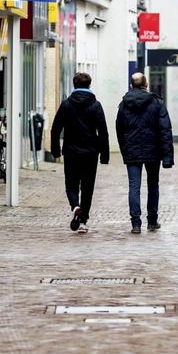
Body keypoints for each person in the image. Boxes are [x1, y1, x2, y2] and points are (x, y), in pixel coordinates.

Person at [50, 72, 110, 234]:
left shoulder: (66, 104)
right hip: (90, 152)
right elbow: (103, 131)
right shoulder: (96, 105)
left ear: (74, 85)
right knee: (88, 186)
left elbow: (56, 129)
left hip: (71, 151)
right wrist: (104, 155)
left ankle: (75, 205)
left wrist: (55, 151)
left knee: (71, 183)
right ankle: (83, 221)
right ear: (89, 85)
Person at [116, 72, 174, 234]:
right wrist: (167, 156)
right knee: (153, 185)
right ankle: (152, 221)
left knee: (134, 186)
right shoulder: (157, 103)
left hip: (132, 151)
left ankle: (135, 223)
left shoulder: (124, 104)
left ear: (131, 85)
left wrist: (124, 150)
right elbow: (165, 130)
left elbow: (119, 129)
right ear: (146, 85)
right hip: (153, 152)